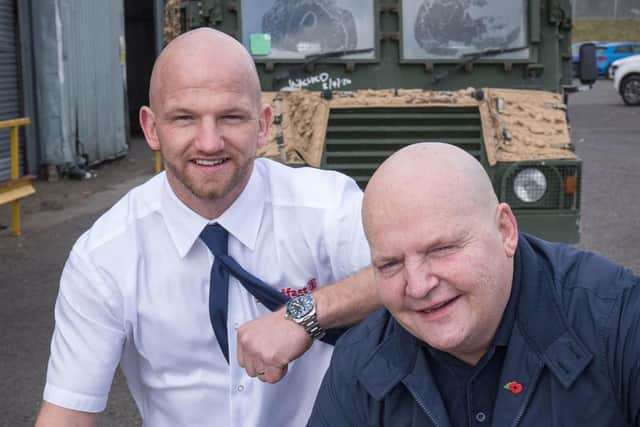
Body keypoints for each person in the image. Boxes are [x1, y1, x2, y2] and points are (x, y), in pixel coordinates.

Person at [35, 28, 378, 427]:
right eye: (184, 118)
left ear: (264, 124)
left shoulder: (326, 206)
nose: (210, 142)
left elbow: (413, 270)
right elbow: (68, 411)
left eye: (231, 116)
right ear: (151, 128)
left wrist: (307, 311)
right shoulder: (104, 257)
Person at [308, 142, 640, 426]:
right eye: (390, 264)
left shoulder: (617, 320)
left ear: (505, 231)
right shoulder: (358, 364)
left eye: (441, 249)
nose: (418, 286)